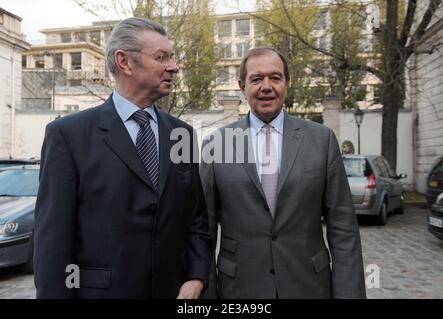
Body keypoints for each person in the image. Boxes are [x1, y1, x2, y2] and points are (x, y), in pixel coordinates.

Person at [34, 17, 210, 299]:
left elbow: (196, 221)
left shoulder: (182, 134)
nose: (173, 67)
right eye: (161, 57)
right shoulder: (68, 135)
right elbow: (52, 243)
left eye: (172, 57)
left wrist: (197, 276)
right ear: (124, 62)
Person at [200, 47, 366, 299]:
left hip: (309, 287)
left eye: (275, 77)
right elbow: (204, 231)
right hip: (240, 290)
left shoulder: (321, 140)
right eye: (256, 79)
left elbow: (343, 228)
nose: (266, 86)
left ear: (287, 83)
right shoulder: (216, 144)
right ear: (242, 86)